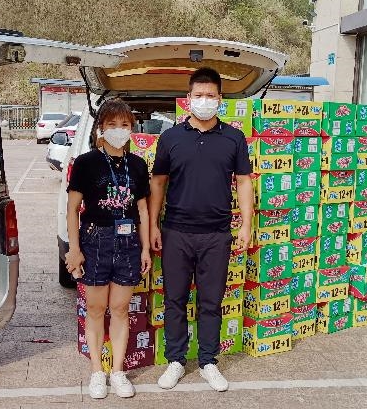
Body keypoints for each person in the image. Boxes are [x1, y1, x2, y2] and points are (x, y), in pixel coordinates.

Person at [148, 67, 254, 392]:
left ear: (220, 99)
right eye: (199, 95)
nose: (204, 100)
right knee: (175, 299)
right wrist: (152, 225)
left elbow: (244, 182)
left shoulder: (234, 138)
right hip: (176, 232)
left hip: (216, 234)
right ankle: (176, 360)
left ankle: (208, 361)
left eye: (210, 95)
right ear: (188, 98)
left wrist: (246, 224)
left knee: (211, 301)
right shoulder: (171, 138)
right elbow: (158, 183)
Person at [65, 99, 151, 399]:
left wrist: (145, 249)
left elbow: (143, 210)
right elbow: (72, 209)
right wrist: (74, 249)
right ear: (100, 128)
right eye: (112, 124)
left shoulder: (138, 165)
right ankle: (96, 372)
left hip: (129, 244)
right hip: (95, 241)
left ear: (132, 129)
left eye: (125, 124)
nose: (119, 130)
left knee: (120, 309)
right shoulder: (85, 163)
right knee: (95, 309)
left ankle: (117, 372)